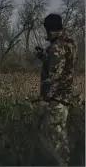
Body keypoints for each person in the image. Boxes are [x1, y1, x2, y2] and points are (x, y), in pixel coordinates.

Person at [34, 13, 75, 166]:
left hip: (55, 99)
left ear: (49, 29)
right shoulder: (68, 42)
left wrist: (45, 100)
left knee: (54, 140)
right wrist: (44, 56)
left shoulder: (57, 46)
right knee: (60, 137)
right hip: (63, 97)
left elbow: (54, 77)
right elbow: (61, 67)